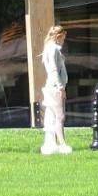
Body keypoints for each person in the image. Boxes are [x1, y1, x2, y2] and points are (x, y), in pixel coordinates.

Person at [39, 24, 72, 155]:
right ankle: (62, 144)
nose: (63, 41)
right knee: (60, 116)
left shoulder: (49, 49)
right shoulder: (53, 49)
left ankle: (52, 143)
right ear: (58, 36)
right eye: (63, 38)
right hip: (55, 87)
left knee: (52, 116)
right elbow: (53, 70)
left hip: (51, 86)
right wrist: (60, 87)